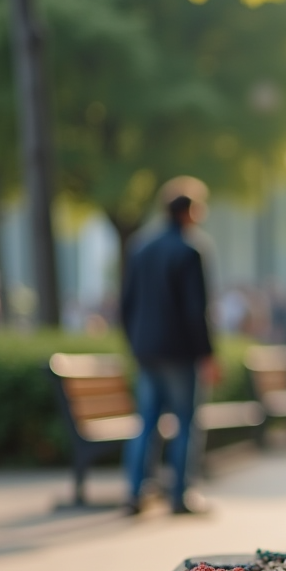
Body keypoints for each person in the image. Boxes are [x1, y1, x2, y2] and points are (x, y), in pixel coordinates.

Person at [120, 177, 219, 515]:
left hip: (147, 351)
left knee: (146, 421)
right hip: (180, 352)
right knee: (186, 422)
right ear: (189, 211)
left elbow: (126, 304)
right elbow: (196, 311)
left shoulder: (140, 247)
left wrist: (135, 344)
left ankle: (135, 491)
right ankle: (181, 494)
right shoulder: (191, 250)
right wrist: (207, 353)